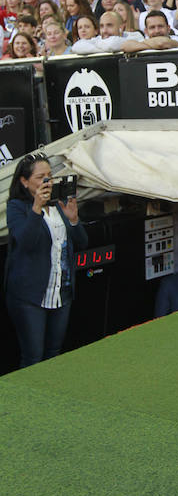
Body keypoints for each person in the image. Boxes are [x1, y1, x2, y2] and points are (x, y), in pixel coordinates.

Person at [5, 153, 87, 367]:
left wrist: (74, 220)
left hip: (61, 292)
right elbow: (25, 242)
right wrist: (36, 208)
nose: (47, 181)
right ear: (24, 181)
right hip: (31, 297)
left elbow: (83, 242)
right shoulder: (17, 207)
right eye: (41, 177)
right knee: (33, 357)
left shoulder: (58, 205)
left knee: (54, 352)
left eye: (50, 176)